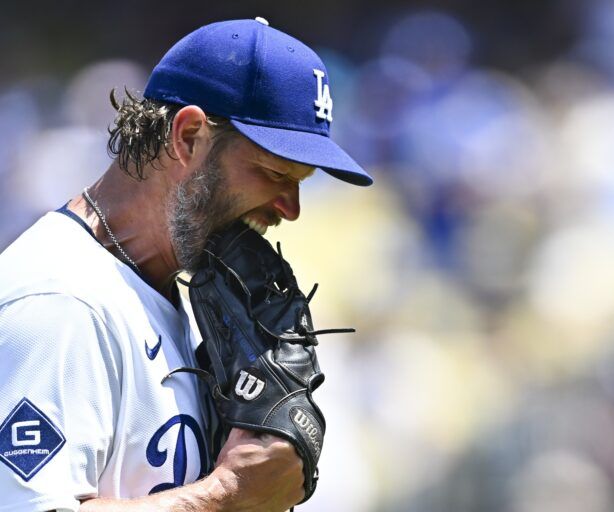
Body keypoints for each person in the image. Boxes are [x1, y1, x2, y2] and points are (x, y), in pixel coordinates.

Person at [0, 17, 372, 512]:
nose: (290, 208)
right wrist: (229, 496)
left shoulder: (186, 289)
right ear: (189, 136)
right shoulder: (60, 303)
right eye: (275, 173)